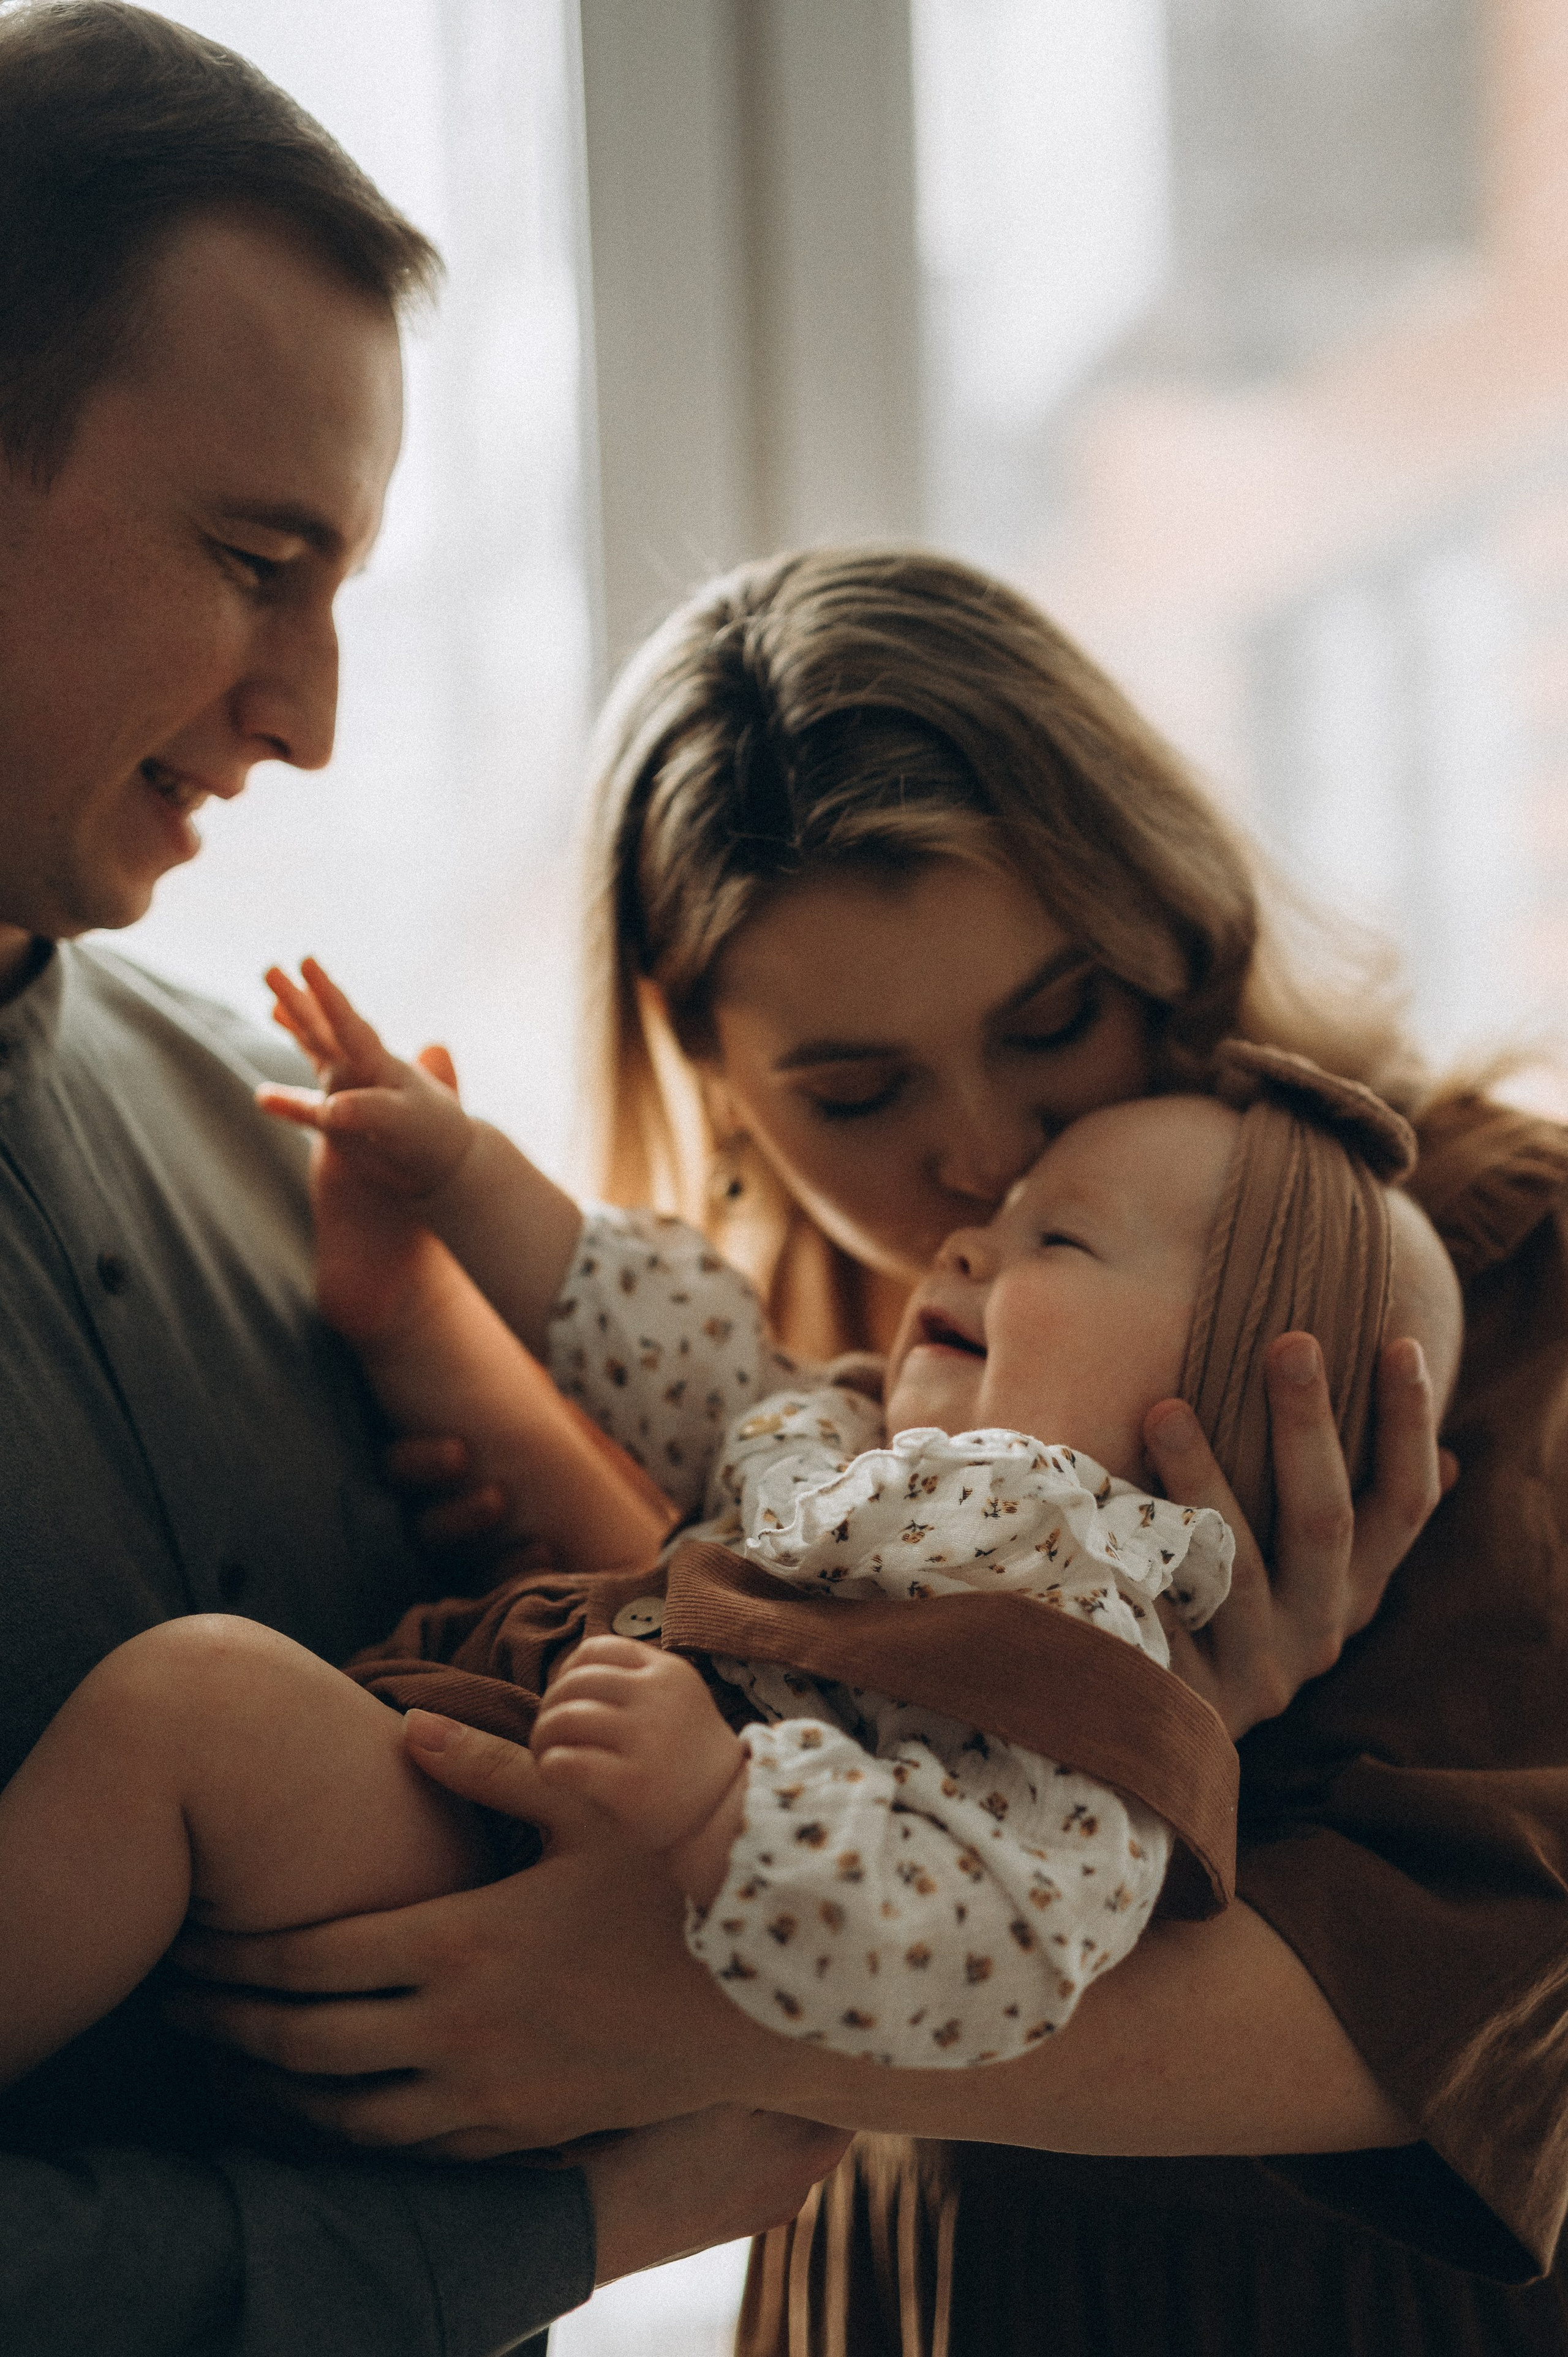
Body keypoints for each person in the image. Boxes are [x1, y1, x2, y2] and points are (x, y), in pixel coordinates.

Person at [173, 549, 1568, 2357]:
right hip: (902, 2285)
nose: (980, 1162)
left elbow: (1507, 1988)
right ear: (717, 1077)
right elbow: (733, 1627)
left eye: (1052, 1020)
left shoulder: (1494, 1273)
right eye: (855, 1094)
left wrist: (695, 2014)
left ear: (1173, 915)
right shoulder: (879, 1323)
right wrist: (412, 1318)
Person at [0, 9, 846, 2353]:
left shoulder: (298, 1151)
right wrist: (564, 2223)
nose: (314, 712)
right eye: (256, 560)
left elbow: (641, 1622)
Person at [0, 977, 1461, 2100]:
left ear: (1219, 1404)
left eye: (1055, 1243)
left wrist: (716, 1814)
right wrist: (457, 1171)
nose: (965, 1241)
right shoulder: (850, 1449)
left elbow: (987, 1944)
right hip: (493, 1783)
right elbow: (643, 1327)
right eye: (1003, 1219)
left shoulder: (1086, 1661)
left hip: (545, 1885)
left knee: (193, 1708)